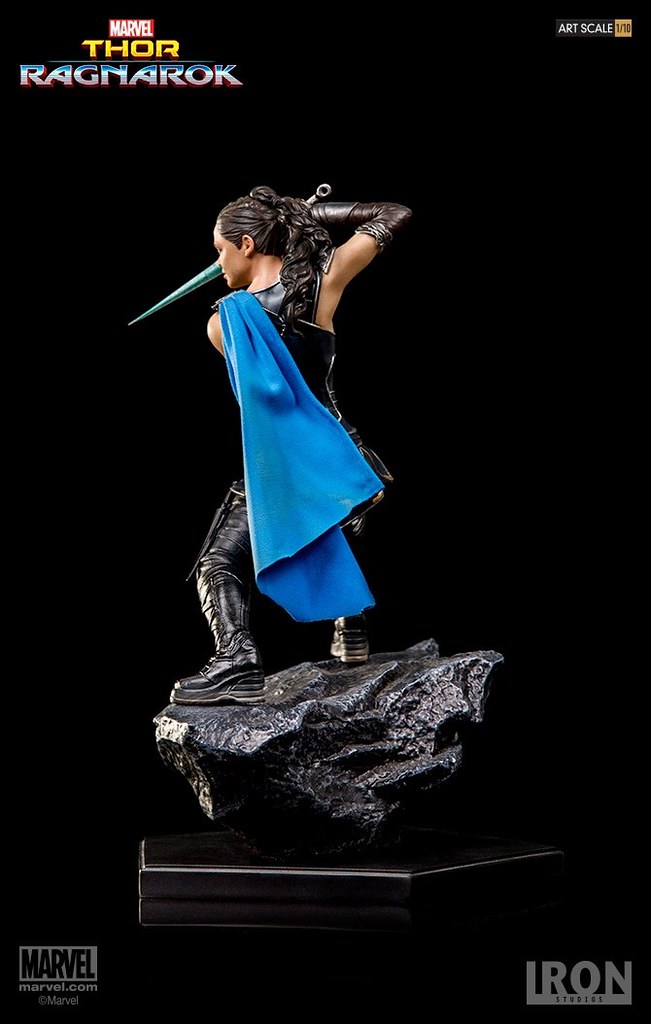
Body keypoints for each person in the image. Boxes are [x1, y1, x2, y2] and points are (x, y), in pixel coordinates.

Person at [171, 186, 411, 706]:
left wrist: (293, 212)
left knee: (218, 563)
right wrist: (306, 214)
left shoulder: (222, 325)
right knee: (327, 529)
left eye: (220, 250)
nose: (218, 263)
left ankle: (237, 662)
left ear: (247, 244)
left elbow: (266, 416)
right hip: (342, 459)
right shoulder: (322, 283)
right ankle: (351, 622)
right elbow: (393, 213)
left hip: (286, 467)